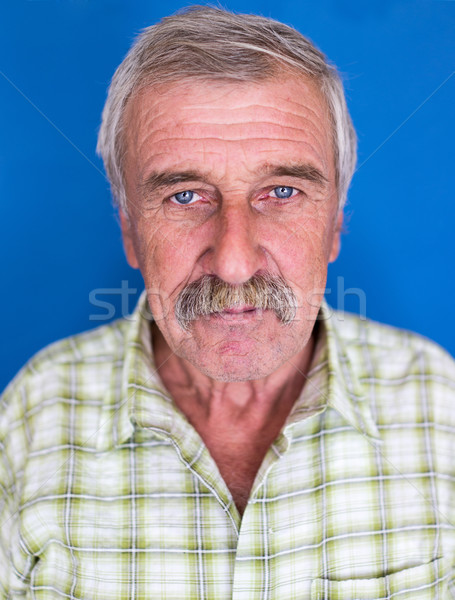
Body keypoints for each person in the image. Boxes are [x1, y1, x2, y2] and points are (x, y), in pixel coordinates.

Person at [1, 6, 454, 599]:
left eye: (282, 191)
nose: (234, 262)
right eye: (185, 195)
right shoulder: (28, 422)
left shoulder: (441, 408)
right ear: (131, 233)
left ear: (336, 223)